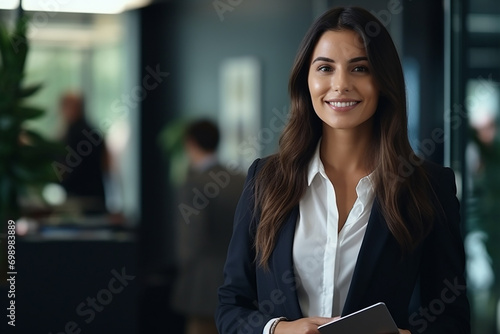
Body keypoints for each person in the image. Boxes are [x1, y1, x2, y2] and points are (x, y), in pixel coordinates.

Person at [216, 6, 470, 334]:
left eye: (360, 68)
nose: (340, 85)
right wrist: (280, 330)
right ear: (305, 80)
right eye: (325, 68)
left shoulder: (429, 186)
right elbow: (231, 306)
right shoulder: (266, 180)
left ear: (383, 81)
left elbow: (452, 319)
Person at [171, 120, 245, 334]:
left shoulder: (193, 183)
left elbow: (190, 242)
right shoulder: (239, 178)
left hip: (202, 285)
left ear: (190, 143)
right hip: (240, 281)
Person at [57, 91, 109, 214]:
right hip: (96, 198)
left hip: (80, 202)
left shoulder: (74, 134)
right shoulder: (94, 132)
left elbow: (64, 170)